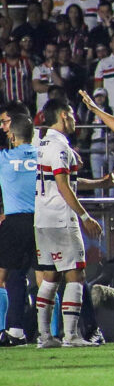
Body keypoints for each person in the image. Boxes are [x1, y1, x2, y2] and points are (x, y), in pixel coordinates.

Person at [34, 99, 110, 347]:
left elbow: (66, 180)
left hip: (42, 218)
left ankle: (45, 337)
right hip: (61, 219)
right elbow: (64, 185)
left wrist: (100, 183)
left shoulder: (42, 144)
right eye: (73, 114)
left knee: (50, 276)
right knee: (76, 275)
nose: (76, 120)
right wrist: (85, 216)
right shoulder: (61, 148)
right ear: (64, 115)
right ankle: (72, 336)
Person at [0, 114, 38, 346]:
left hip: (14, 222)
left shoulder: (4, 158)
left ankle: (7, 329)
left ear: (12, 135)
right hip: (41, 221)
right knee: (47, 279)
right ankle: (47, 333)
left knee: (3, 277)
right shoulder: (43, 156)